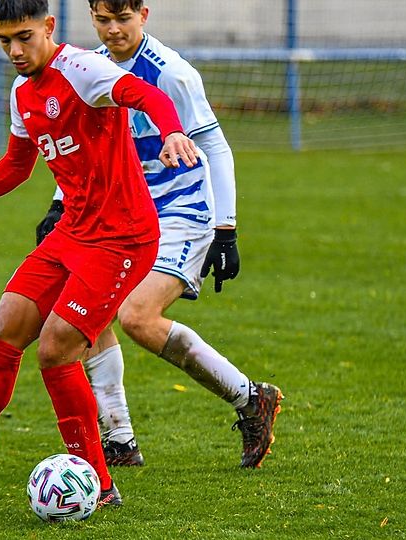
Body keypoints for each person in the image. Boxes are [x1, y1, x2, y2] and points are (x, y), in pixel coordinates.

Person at [0, 0, 199, 508]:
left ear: (49, 27)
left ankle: (100, 486)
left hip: (123, 237)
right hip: (74, 233)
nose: (15, 50)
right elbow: (16, 167)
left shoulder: (82, 69)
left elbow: (143, 93)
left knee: (56, 348)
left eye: (25, 37)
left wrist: (170, 132)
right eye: (5, 41)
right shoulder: (22, 92)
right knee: (0, 333)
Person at [35, 0, 282, 469]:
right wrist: (58, 204)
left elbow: (213, 144)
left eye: (122, 19)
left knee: (137, 317)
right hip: (118, 213)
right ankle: (120, 440)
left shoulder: (171, 73)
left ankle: (251, 399)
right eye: (102, 20)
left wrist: (225, 229)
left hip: (180, 209)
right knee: (89, 310)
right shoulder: (91, 69)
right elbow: (85, 146)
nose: (112, 30)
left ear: (143, 16)